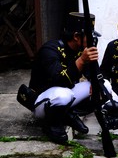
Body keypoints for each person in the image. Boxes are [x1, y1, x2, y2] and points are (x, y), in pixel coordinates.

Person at [27, 12, 106, 144]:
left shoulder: (81, 49)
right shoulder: (50, 50)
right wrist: (81, 60)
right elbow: (60, 81)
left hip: (66, 93)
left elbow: (94, 75)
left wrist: (95, 82)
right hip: (43, 101)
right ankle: (52, 125)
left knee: (104, 87)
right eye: (89, 36)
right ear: (76, 36)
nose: (92, 39)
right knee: (64, 94)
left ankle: (67, 113)